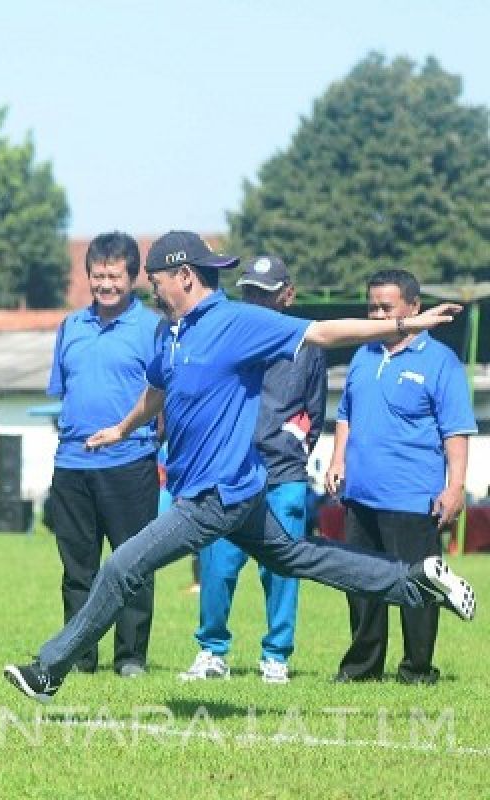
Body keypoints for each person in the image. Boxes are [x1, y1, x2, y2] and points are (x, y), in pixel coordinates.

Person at [4, 231, 477, 703]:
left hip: (215, 496)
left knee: (120, 567)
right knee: (300, 556)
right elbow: (157, 390)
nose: (151, 288)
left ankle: (48, 670)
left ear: (185, 276)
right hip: (239, 494)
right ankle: (414, 580)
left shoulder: (237, 321)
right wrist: (122, 430)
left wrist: (401, 327)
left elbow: (322, 332)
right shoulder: (172, 330)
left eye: (157, 278)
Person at [326, 269, 476, 685]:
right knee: (360, 586)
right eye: (372, 306)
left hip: (413, 499)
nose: (376, 313)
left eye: (385, 307)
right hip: (360, 497)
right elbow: (345, 415)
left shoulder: (439, 361)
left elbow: (455, 430)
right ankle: (361, 669)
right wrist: (338, 460)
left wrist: (455, 486)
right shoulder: (363, 354)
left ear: (413, 308)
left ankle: (417, 670)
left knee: (418, 587)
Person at [181, 255, 326, 684]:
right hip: (229, 473)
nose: (255, 300)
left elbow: (312, 414)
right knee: (217, 565)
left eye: (264, 293)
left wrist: (288, 445)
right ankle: (211, 652)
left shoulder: (308, 345)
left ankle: (276, 656)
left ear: (288, 295)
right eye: (248, 292)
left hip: (283, 478)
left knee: (282, 567)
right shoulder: (227, 335)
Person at [46, 232, 162, 678]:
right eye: (98, 276)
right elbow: (63, 391)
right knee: (79, 568)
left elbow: (164, 396)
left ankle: (130, 656)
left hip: (130, 463)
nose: (106, 284)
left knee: (133, 564)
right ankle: (80, 653)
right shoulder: (70, 327)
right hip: (73, 466)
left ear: (132, 278)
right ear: (87, 276)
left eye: (115, 276)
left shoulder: (153, 328)